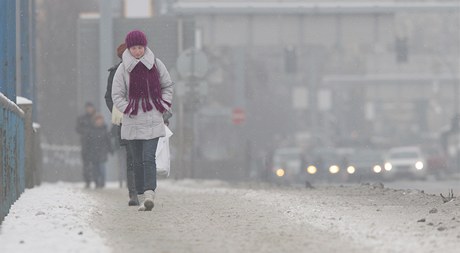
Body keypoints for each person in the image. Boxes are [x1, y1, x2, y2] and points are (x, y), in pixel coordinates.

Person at [112, 30, 174, 211]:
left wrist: (162, 104)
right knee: (137, 160)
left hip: (153, 117)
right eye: (134, 48)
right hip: (132, 120)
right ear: (129, 48)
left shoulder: (156, 64)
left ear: (144, 47)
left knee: (149, 158)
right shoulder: (123, 69)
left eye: (140, 47)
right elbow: (117, 94)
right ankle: (140, 195)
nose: (137, 51)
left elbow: (167, 85)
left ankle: (149, 193)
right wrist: (128, 108)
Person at [104, 43, 140, 206]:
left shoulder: (147, 69)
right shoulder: (115, 73)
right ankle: (134, 193)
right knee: (132, 157)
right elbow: (109, 97)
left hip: (145, 119)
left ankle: (146, 190)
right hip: (126, 121)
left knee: (146, 156)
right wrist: (119, 111)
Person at [87, 114, 113, 188]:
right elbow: (88, 142)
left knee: (102, 167)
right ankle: (96, 181)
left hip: (102, 152)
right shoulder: (91, 130)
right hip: (93, 152)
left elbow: (108, 141)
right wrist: (88, 151)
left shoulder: (105, 130)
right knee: (95, 168)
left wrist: (111, 150)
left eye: (100, 120)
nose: (99, 122)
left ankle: (102, 181)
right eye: (97, 120)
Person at [76, 102, 96, 188]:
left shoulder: (96, 117)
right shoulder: (82, 118)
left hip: (95, 144)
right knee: (86, 163)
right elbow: (77, 129)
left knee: (95, 162)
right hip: (85, 143)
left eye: (90, 107)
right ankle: (87, 180)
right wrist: (85, 132)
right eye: (88, 107)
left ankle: (96, 179)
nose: (89, 109)